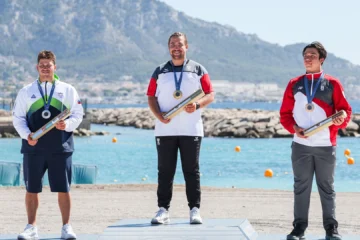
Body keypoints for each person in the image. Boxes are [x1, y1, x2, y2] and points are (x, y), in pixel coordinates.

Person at [280, 42, 352, 240]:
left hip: (326, 145)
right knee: (300, 187)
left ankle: (331, 229)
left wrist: (340, 121)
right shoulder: (294, 84)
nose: (308, 58)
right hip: (300, 145)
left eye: (312, 54)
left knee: (327, 188)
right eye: (305, 55)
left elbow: (345, 112)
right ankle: (299, 229)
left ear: (322, 59)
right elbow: (285, 114)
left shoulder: (333, 84)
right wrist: (295, 129)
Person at [13, 50, 83, 240]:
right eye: (42, 65)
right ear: (37, 67)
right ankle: (31, 227)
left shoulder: (67, 89)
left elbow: (78, 114)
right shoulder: (26, 91)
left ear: (55, 67)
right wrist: (27, 135)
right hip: (33, 148)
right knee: (32, 189)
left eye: (48, 65)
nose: (45, 68)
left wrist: (66, 125)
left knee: (64, 188)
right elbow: (18, 118)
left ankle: (66, 227)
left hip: (60, 148)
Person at [147, 32, 215, 224]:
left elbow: (210, 94)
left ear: (187, 47)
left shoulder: (198, 69)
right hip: (165, 129)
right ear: (169, 47)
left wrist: (198, 105)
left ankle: (194, 209)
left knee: (191, 170)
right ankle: (163, 210)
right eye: (172, 44)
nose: (176, 48)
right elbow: (151, 96)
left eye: (180, 44)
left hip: (191, 129)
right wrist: (159, 116)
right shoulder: (159, 71)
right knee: (165, 170)